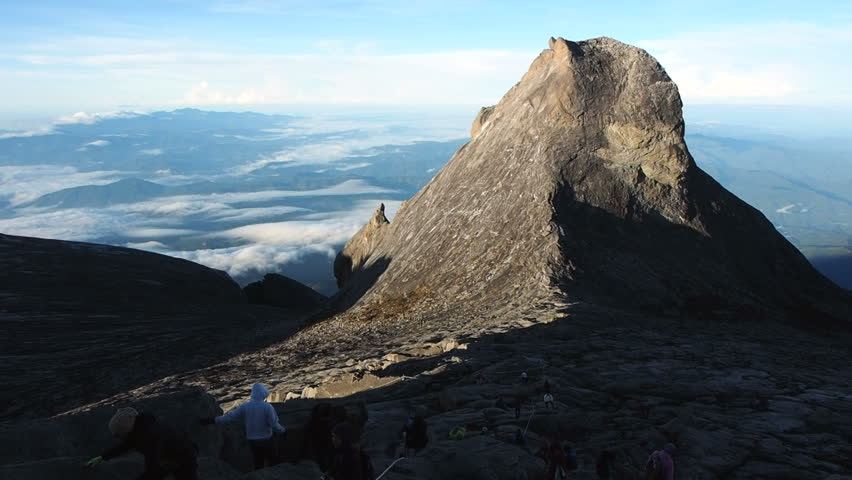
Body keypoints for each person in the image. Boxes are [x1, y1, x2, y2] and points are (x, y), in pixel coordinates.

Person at [84, 407, 198, 479]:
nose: (118, 438)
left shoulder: (150, 438)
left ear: (125, 431)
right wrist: (103, 457)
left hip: (183, 457)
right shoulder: (139, 428)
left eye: (118, 435)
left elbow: (152, 469)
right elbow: (126, 445)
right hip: (172, 456)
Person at [200, 383, 286, 470]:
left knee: (258, 462)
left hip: (252, 441)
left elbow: (229, 417)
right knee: (273, 461)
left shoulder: (245, 406)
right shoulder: (268, 407)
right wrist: (282, 430)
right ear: (263, 394)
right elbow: (274, 424)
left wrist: (212, 420)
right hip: (266, 440)